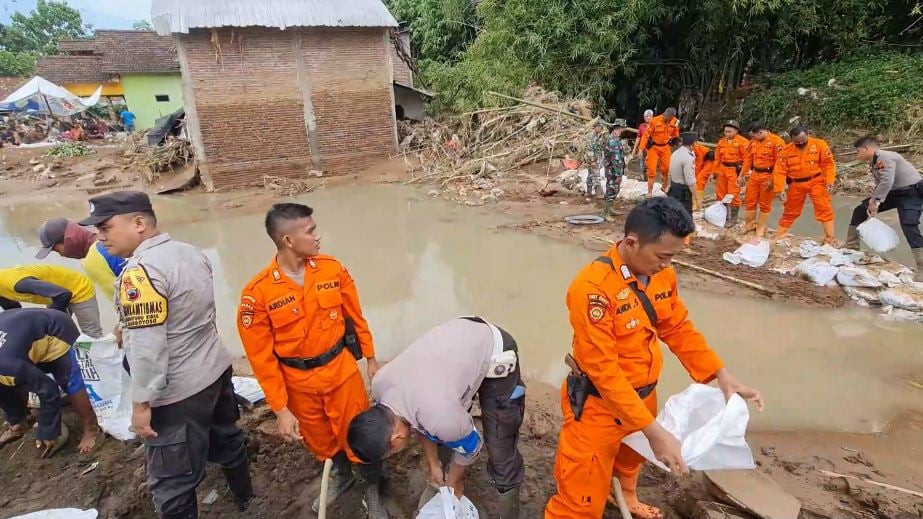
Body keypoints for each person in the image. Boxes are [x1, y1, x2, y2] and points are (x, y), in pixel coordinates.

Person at [544, 197, 763, 519]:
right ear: (631, 242)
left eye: (673, 256)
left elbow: (677, 327)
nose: (667, 264)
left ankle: (625, 496)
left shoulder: (662, 275)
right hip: (598, 405)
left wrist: (719, 372)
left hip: (643, 394)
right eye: (662, 256)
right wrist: (655, 431)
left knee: (631, 458)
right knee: (580, 498)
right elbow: (603, 372)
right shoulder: (593, 290)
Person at [80, 191, 252, 519]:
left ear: (139, 223)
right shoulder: (189, 252)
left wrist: (141, 403)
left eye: (106, 227)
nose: (100, 238)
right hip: (214, 370)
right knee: (227, 438)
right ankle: (247, 499)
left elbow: (147, 349)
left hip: (176, 393)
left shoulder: (139, 273)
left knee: (171, 483)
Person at [237, 203, 385, 518]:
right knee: (321, 441)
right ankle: (341, 476)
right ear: (288, 241)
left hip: (341, 371)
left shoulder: (332, 269)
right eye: (311, 231)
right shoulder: (258, 294)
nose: (318, 237)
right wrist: (280, 410)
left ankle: (372, 487)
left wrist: (371, 359)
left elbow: (356, 317)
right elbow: (261, 359)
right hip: (299, 385)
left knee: (361, 433)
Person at [347, 317, 525, 519]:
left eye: (390, 453)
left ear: (395, 439)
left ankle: (509, 508)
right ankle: (444, 462)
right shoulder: (380, 385)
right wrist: (433, 464)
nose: (393, 454)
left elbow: (473, 447)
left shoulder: (441, 418)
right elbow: (416, 419)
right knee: (441, 426)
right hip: (453, 350)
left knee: (500, 446)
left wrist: (453, 484)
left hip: (492, 348)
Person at [0, 308, 101, 455]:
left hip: (55, 329)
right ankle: (18, 423)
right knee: (5, 385)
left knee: (70, 381)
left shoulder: (8, 364)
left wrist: (47, 430)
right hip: (24, 335)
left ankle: (91, 428)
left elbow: (48, 389)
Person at [848, 137, 923, 280]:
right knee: (861, 209)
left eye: (857, 152)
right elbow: (881, 184)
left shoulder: (884, 157)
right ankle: (851, 246)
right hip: (894, 193)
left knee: (909, 225)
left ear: (867, 149)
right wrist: (872, 202)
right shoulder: (875, 161)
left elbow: (887, 180)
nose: (856, 155)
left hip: (911, 193)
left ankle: (922, 268)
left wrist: (875, 201)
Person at [0, 264, 103, 338]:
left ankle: (101, 364)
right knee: (54, 335)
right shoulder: (2, 290)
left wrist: (50, 317)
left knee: (91, 334)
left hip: (78, 288)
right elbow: (13, 311)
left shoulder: (17, 283)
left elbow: (63, 294)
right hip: (54, 295)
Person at [36, 218, 127, 301]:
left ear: (70, 240)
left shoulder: (92, 260)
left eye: (58, 250)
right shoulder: (111, 238)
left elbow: (122, 299)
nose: (62, 255)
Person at [774, 125, 837, 245]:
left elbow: (828, 164)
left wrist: (830, 181)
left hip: (816, 181)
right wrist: (779, 188)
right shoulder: (786, 151)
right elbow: (779, 171)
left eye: (803, 140)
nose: (800, 143)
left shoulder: (820, 145)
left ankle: (830, 238)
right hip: (795, 184)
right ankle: (780, 236)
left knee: (824, 208)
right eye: (797, 141)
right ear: (792, 139)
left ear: (808, 135)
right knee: (790, 211)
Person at [740, 122, 785, 237]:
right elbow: (748, 159)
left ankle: (760, 228)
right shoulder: (754, 141)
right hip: (755, 174)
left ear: (760, 132)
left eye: (753, 136)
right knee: (750, 201)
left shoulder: (777, 142)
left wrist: (773, 181)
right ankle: (749, 225)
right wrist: (742, 174)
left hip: (768, 175)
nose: (752, 138)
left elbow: (779, 164)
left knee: (765, 204)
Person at [712, 120, 750, 228]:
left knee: (733, 194)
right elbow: (717, 158)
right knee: (720, 194)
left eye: (730, 132)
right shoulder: (721, 142)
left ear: (736, 131)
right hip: (722, 169)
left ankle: (733, 219)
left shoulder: (743, 142)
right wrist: (714, 172)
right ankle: (723, 215)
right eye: (725, 131)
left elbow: (747, 160)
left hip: (735, 171)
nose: (727, 134)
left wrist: (743, 175)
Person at [638, 108, 680, 198]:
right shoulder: (654, 121)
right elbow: (645, 135)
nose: (667, 120)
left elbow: (675, 133)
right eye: (666, 118)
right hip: (654, 147)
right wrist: (641, 149)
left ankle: (664, 186)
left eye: (669, 119)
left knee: (666, 168)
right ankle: (650, 191)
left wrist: (675, 139)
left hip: (665, 147)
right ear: (664, 114)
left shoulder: (675, 121)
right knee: (652, 170)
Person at [668, 132, 700, 225]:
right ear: (693, 143)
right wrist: (698, 199)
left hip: (673, 189)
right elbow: (690, 181)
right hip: (682, 192)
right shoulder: (687, 157)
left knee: (673, 216)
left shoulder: (675, 153)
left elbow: (669, 173)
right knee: (685, 219)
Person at [602, 119, 630, 221]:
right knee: (611, 189)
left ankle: (611, 209)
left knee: (615, 189)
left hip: (613, 169)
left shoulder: (614, 138)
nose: (623, 130)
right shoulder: (613, 140)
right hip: (612, 170)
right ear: (620, 128)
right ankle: (605, 213)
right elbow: (616, 158)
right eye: (623, 128)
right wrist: (618, 174)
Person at [585, 120, 607, 198]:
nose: (600, 129)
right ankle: (598, 192)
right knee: (596, 174)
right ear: (596, 127)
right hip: (591, 157)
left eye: (601, 128)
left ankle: (588, 191)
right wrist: (592, 160)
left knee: (590, 174)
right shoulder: (591, 136)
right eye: (599, 127)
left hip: (597, 157)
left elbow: (601, 146)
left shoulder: (599, 136)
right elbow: (589, 148)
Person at [632, 109, 654, 178]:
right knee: (642, 163)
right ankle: (642, 177)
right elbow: (638, 138)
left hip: (652, 149)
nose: (648, 117)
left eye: (649, 116)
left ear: (652, 116)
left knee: (651, 164)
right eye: (646, 116)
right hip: (642, 148)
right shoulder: (641, 126)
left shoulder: (655, 125)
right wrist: (634, 149)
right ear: (644, 118)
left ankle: (650, 178)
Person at [693, 144, 716, 211]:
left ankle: (697, 203)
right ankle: (695, 200)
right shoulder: (693, 148)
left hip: (708, 161)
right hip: (704, 160)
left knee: (699, 180)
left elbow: (698, 164)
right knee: (696, 180)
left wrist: (712, 173)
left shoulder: (697, 150)